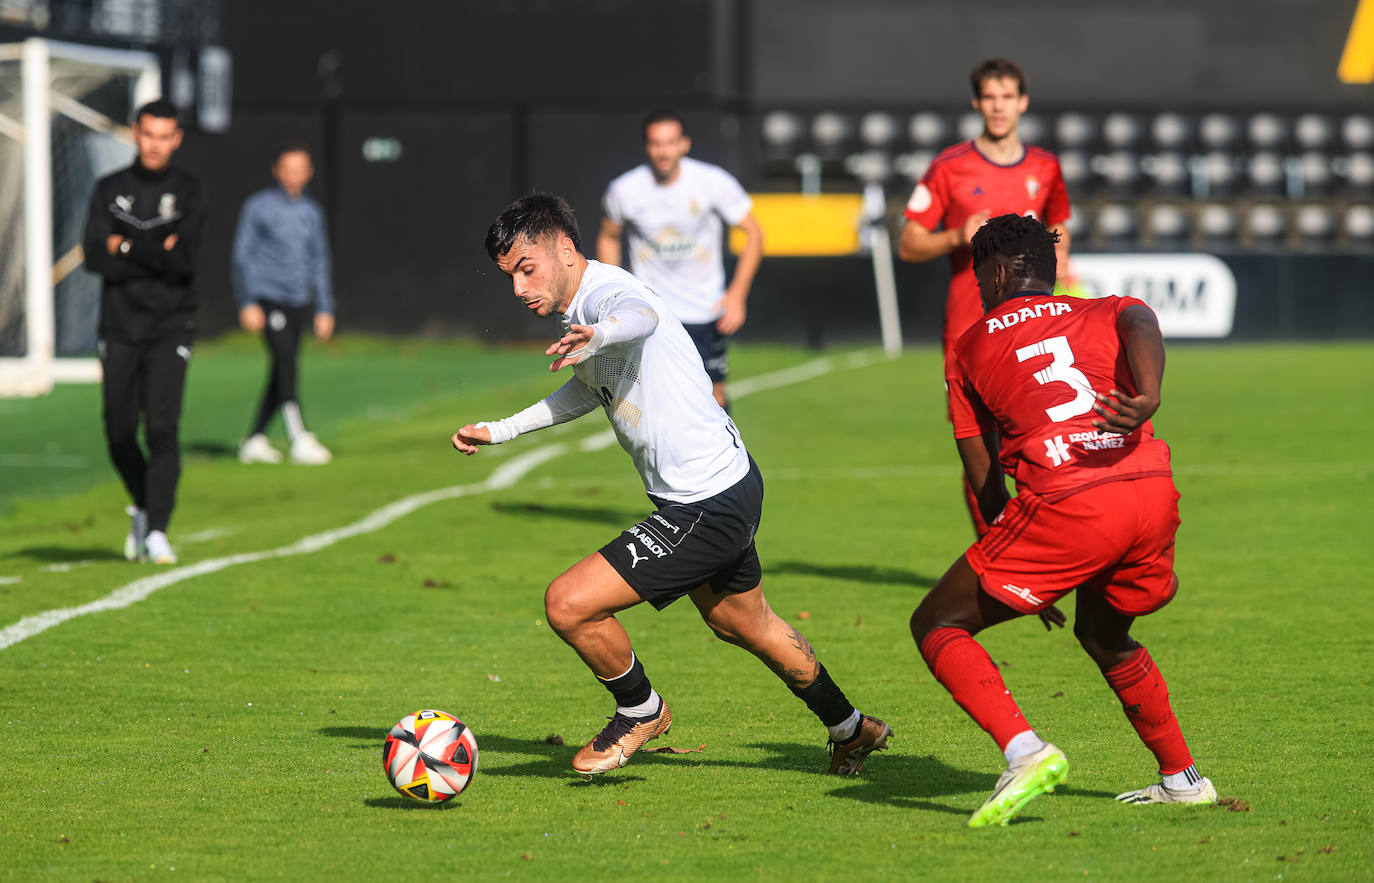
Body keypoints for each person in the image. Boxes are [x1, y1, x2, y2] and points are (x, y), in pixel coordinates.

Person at [454, 194, 887, 776]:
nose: (518, 288)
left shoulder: (607, 298)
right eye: (509, 277)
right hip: (725, 487)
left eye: (527, 269)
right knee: (745, 623)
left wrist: (601, 335)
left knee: (569, 605)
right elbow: (590, 387)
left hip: (704, 505)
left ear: (564, 247)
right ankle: (851, 728)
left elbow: (640, 318)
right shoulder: (580, 308)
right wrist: (501, 429)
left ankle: (640, 711)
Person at [909, 214, 1215, 828]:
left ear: (995, 273)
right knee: (1104, 634)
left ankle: (1025, 753)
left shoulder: (967, 346)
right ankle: (1183, 779)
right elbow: (1142, 318)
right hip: (1149, 487)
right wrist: (1149, 396)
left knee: (937, 623)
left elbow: (984, 475)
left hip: (1070, 501)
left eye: (978, 276)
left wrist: (1017, 561)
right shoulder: (1103, 309)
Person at [898, 58, 1072, 536]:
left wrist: (1062, 274)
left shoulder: (1046, 166)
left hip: (1033, 321)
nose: (998, 107)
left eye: (1007, 97)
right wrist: (957, 236)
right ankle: (997, 544)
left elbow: (1059, 224)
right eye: (989, 97)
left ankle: (1052, 540)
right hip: (969, 325)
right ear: (977, 103)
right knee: (981, 443)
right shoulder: (949, 167)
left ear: (1022, 102)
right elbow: (909, 242)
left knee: (1046, 429)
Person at [82, 99, 207, 566]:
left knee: (161, 429)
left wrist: (127, 244)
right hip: (119, 324)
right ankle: (142, 503)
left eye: (165, 136)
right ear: (135, 133)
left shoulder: (190, 191)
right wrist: (155, 246)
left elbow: (185, 262)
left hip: (171, 323)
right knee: (117, 432)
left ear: (176, 139)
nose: (155, 144)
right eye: (148, 134)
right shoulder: (109, 189)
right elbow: (94, 255)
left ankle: (156, 530)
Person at [598, 111, 763, 412]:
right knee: (656, 401)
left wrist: (737, 295)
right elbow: (609, 236)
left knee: (713, 398)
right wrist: (618, 295)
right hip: (653, 312)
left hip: (704, 310)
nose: (664, 152)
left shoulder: (711, 182)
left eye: (671, 143)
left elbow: (754, 234)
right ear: (647, 147)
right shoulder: (625, 190)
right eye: (656, 144)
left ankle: (727, 459)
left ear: (684, 144)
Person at [231, 141, 335, 465]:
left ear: (309, 173)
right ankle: (299, 437)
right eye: (287, 169)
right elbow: (242, 255)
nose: (293, 176)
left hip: (298, 301)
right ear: (276, 170)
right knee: (286, 364)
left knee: (281, 370)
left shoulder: (311, 212)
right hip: (268, 298)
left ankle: (254, 439)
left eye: (299, 170)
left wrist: (325, 307)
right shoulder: (258, 207)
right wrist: (247, 301)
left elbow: (319, 260)